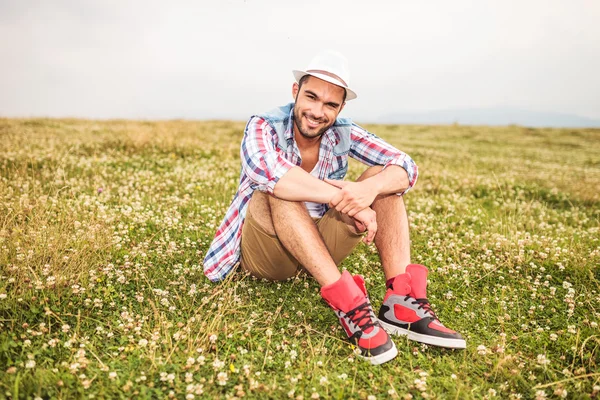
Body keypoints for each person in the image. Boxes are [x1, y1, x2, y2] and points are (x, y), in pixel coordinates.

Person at [204, 51, 465, 365]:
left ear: (341, 108)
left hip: (317, 247)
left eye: (330, 105)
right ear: (295, 92)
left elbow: (405, 166)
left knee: (383, 180)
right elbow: (269, 172)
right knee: (280, 190)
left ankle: (401, 303)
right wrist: (347, 201)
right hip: (268, 254)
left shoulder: (343, 130)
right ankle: (350, 305)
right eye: (311, 97)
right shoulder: (264, 125)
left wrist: (369, 189)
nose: (317, 112)